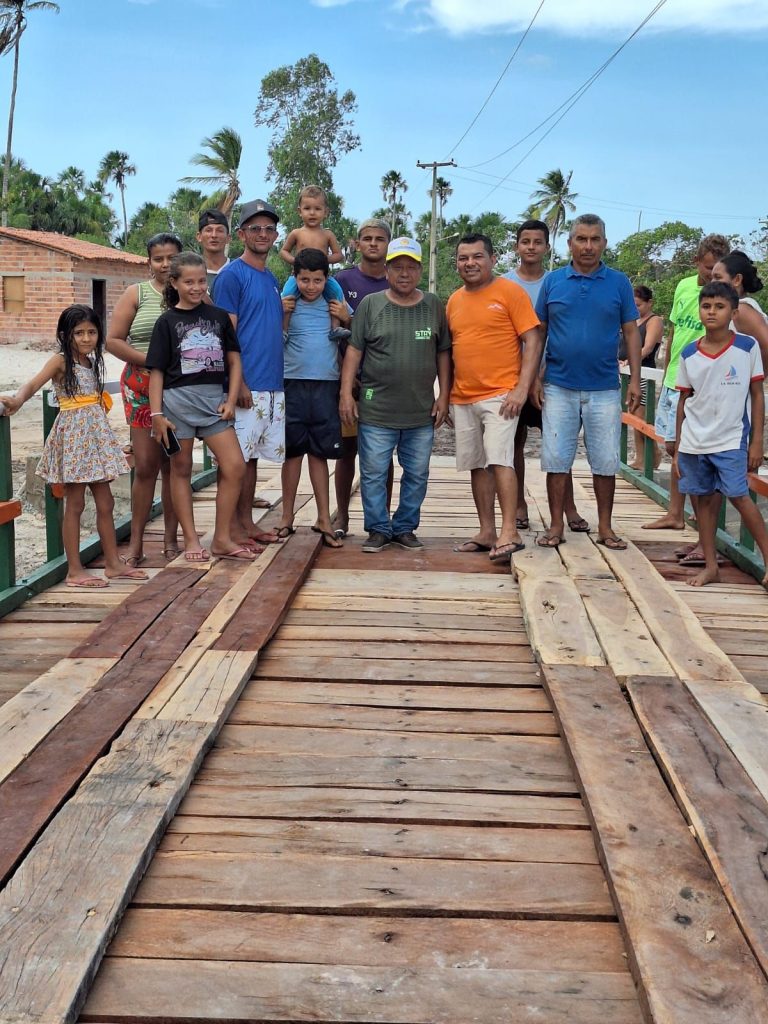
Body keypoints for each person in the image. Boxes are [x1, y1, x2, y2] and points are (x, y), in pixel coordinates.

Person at [0, 306, 147, 588]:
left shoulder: (92, 362)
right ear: (65, 335)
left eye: (91, 332)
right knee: (75, 503)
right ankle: (75, 570)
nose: (86, 338)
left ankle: (114, 564)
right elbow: (33, 384)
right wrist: (17, 400)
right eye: (79, 333)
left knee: (106, 502)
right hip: (75, 437)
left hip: (95, 437)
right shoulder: (60, 361)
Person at [535, 214, 642, 549]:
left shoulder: (619, 283)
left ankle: (606, 528)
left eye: (595, 239)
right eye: (581, 239)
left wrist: (636, 378)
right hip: (558, 384)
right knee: (556, 457)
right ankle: (555, 526)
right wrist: (535, 378)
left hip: (605, 387)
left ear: (604, 243)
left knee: (605, 459)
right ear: (569, 244)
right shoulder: (553, 282)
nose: (588, 246)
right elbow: (539, 334)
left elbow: (630, 332)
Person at [339, 237, 451, 551]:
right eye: (397, 266)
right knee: (373, 472)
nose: (404, 273)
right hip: (376, 409)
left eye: (411, 267)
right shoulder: (371, 305)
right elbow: (353, 352)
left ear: (419, 270)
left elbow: (443, 353)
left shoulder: (433, 305)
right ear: (387, 270)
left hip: (419, 411)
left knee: (416, 473)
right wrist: (346, 395)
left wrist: (444, 397)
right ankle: (377, 528)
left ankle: (404, 528)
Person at [145, 252, 253, 563]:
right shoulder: (166, 322)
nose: (196, 287)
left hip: (213, 403)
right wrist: (157, 415)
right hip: (176, 404)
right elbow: (157, 372)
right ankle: (191, 540)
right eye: (189, 281)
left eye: (201, 281)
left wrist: (231, 400)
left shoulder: (218, 317)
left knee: (235, 466)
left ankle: (221, 537)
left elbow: (234, 360)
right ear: (174, 282)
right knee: (180, 470)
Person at [447, 233, 543, 563]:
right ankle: (486, 531)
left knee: (500, 459)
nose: (469, 263)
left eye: (477, 256)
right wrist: (446, 395)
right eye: (463, 258)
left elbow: (532, 340)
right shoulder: (454, 300)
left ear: (491, 259)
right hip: (463, 396)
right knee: (476, 464)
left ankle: (509, 531)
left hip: (501, 395)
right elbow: (452, 350)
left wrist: (521, 387)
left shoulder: (509, 292)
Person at [673, 281, 767, 587]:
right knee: (702, 501)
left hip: (730, 438)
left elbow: (756, 394)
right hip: (694, 440)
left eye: (720, 306)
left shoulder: (746, 347)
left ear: (734, 312)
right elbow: (684, 400)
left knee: (739, 496)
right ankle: (710, 565)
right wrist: (677, 447)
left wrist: (756, 441)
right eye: (706, 306)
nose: (712, 312)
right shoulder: (689, 354)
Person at [503, 220, 588, 534]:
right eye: (525, 242)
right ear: (517, 246)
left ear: (548, 247)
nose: (531, 248)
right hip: (512, 376)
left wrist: (539, 374)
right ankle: (519, 505)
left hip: (552, 376)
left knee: (558, 445)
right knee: (514, 443)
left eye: (537, 242)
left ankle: (569, 507)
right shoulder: (504, 284)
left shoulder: (558, 282)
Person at [642, 234, 730, 536]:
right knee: (671, 446)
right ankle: (676, 512)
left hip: (701, 384)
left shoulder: (725, 300)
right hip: (673, 377)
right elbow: (675, 329)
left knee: (694, 452)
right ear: (697, 262)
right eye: (707, 268)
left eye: (717, 269)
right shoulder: (683, 286)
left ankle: (698, 519)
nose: (711, 275)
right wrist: (667, 371)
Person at [107, 232, 182, 565]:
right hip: (140, 386)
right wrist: (149, 361)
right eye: (158, 258)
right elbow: (112, 340)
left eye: (171, 258)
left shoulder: (192, 292)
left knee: (175, 466)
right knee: (147, 466)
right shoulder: (136, 293)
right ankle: (136, 544)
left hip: (179, 390)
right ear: (148, 261)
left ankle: (170, 541)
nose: (165, 264)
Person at [214, 199, 285, 546]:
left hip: (271, 386)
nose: (262, 234)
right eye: (254, 228)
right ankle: (226, 532)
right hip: (246, 384)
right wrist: (237, 383)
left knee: (252, 459)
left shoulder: (271, 278)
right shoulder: (232, 275)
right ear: (241, 234)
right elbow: (225, 335)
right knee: (234, 462)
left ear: (276, 235)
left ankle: (246, 524)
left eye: (268, 228)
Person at [276, 248, 344, 547]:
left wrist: (345, 318)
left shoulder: (334, 305)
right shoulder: (287, 305)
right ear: (295, 278)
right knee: (292, 453)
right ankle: (286, 518)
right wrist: (284, 315)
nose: (311, 286)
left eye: (317, 280)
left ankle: (324, 520)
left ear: (326, 279)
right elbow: (277, 339)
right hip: (292, 384)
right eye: (305, 279)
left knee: (319, 453)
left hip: (326, 385)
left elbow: (350, 334)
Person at [332, 218, 392, 538]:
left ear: (387, 245)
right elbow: (332, 331)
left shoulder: (396, 281)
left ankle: (382, 519)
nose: (372, 243)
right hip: (349, 383)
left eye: (379, 239)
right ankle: (342, 516)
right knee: (347, 450)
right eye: (366, 238)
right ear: (356, 244)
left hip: (385, 384)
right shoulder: (341, 280)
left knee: (383, 453)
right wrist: (346, 376)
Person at [279, 185, 347, 337]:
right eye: (307, 208)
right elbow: (283, 251)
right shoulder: (296, 233)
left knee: (337, 293)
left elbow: (338, 255)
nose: (312, 213)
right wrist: (296, 261)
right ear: (299, 211)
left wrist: (322, 260)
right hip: (298, 276)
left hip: (322, 277)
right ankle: (284, 330)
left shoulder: (327, 234)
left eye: (317, 209)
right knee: (287, 297)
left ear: (325, 212)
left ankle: (335, 328)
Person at [625, 285, 663, 470]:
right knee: (633, 416)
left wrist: (630, 360)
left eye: (638, 305)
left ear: (649, 303)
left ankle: (651, 455)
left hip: (643, 372)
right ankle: (642, 456)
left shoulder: (654, 321)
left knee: (641, 417)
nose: (635, 309)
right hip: (628, 373)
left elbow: (647, 348)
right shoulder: (632, 321)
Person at [711, 251, 768, 365]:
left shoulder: (742, 310)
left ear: (737, 280)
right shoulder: (736, 308)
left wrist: (754, 379)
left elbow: (766, 346)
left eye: (718, 277)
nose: (712, 282)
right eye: (712, 277)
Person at [196, 209, 230, 297]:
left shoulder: (238, 271)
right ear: (199, 236)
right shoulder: (190, 271)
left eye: (220, 230)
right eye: (208, 230)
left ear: (228, 238)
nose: (214, 235)